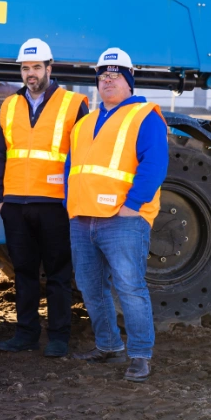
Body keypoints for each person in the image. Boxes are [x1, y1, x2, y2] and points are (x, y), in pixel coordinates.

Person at [67, 47, 169, 383]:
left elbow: (154, 165)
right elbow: (73, 167)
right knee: (90, 287)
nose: (107, 81)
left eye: (115, 75)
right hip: (83, 219)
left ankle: (140, 355)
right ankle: (109, 346)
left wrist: (132, 206)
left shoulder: (145, 116)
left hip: (122, 219)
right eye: (102, 76)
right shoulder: (84, 123)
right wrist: (72, 203)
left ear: (128, 82)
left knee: (130, 288)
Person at [0, 39, 88, 357]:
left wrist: (74, 200)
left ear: (49, 68)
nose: (30, 73)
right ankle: (26, 334)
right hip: (16, 205)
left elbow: (83, 157)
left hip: (55, 203)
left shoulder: (74, 104)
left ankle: (58, 337)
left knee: (59, 273)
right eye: (24, 68)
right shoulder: (8, 106)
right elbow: (0, 157)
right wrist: (0, 201)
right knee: (25, 273)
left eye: (35, 67)